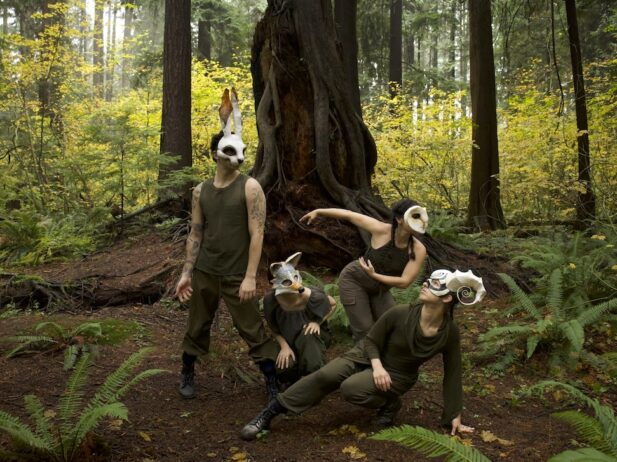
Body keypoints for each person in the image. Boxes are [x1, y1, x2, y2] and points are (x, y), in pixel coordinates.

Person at [239, 269, 486, 441]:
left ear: (446, 298)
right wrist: (376, 367)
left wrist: (454, 414)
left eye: (434, 285)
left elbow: (453, 373)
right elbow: (371, 341)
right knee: (325, 375)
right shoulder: (400, 313)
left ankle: (390, 402)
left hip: (398, 374)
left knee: (351, 388)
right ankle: (271, 412)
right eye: (427, 280)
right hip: (366, 354)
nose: (424, 284)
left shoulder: (449, 333)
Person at [175, 88, 278, 401]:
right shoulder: (200, 192)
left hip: (236, 273)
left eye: (241, 152)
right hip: (206, 270)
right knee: (196, 324)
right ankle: (187, 370)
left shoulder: (250, 187)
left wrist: (250, 276)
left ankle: (273, 382)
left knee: (251, 327)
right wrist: (186, 273)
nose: (239, 158)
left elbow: (257, 233)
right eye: (231, 152)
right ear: (216, 155)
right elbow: (195, 233)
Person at [300, 200, 428, 342]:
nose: (420, 220)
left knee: (392, 324)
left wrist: (375, 275)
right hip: (355, 279)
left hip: (379, 287)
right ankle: (366, 360)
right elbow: (350, 215)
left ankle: (388, 358)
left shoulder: (418, 249)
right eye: (414, 216)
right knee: (365, 329)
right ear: (399, 219)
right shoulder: (381, 229)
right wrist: (319, 211)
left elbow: (404, 282)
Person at [264, 252, 336, 386]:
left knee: (307, 336)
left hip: (311, 338)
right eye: (286, 280)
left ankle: (314, 379)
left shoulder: (313, 296)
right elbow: (273, 328)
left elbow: (332, 304)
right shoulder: (270, 301)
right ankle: (293, 380)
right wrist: (284, 347)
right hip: (288, 338)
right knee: (285, 367)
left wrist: (317, 322)